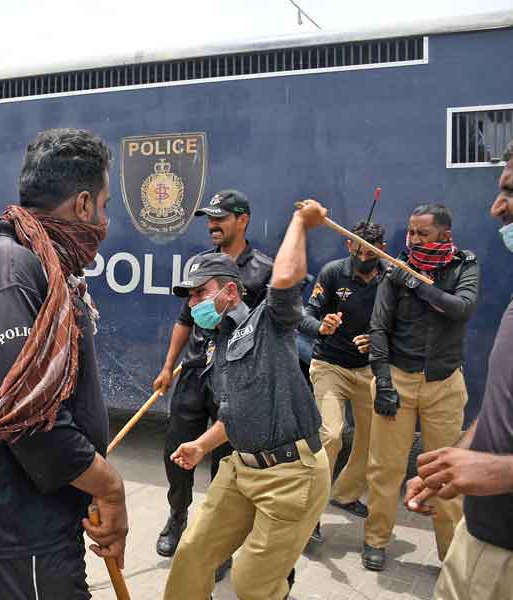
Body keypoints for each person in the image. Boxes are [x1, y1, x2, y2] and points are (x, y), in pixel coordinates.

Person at [0, 129, 128, 599]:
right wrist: (109, 487)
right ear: (82, 205)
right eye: (104, 206)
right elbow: (31, 418)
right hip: (15, 527)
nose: (104, 223)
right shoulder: (7, 270)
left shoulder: (42, 267)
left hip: (38, 519)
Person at [163, 200, 331, 600]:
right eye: (188, 297)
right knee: (192, 553)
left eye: (200, 293)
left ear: (231, 290)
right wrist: (202, 445)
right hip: (241, 468)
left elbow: (287, 278)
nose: (192, 303)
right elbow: (236, 412)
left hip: (290, 474)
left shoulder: (269, 323)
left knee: (252, 581)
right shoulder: (217, 345)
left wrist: (299, 222)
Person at [404, 140, 513, 600]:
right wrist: (456, 463)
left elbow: (461, 308)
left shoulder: (462, 267)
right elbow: (500, 410)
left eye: (511, 192)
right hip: (480, 539)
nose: (495, 209)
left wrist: (499, 473)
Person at [153, 189, 273, 568]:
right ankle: (177, 517)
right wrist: (167, 366)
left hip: (233, 377)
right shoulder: (200, 263)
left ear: (243, 219)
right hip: (193, 372)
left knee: (224, 459)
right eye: (210, 219)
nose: (212, 225)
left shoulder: (263, 270)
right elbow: (185, 320)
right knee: (177, 450)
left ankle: (219, 539)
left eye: (220, 218)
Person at [363, 203, 480, 571]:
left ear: (445, 234)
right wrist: (382, 380)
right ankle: (375, 540)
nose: (413, 239)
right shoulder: (394, 269)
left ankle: (450, 555)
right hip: (398, 376)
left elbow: (461, 308)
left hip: (443, 382)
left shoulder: (464, 265)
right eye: (411, 232)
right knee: (385, 468)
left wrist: (415, 282)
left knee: (445, 473)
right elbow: (379, 327)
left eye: (422, 234)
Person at [299, 221, 388, 533]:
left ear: (382, 249)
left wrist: (376, 340)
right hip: (330, 366)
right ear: (349, 246)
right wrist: (322, 325)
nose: (364, 254)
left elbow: (403, 325)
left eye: (371, 249)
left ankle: (346, 494)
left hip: (368, 370)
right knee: (331, 435)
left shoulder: (391, 277)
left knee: (373, 438)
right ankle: (311, 513)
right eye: (357, 247)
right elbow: (305, 316)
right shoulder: (333, 273)